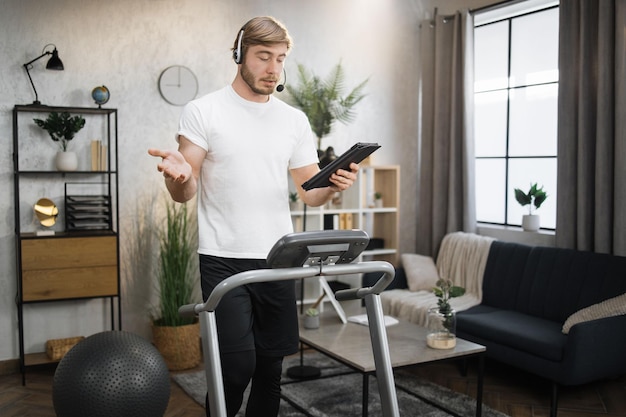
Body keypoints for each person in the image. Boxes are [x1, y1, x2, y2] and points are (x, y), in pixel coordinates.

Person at [148, 16, 359, 417]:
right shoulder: (203, 111)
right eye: (264, 57)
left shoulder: (293, 120)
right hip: (223, 257)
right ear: (239, 54)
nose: (273, 68)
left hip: (279, 258)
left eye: (280, 59)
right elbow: (185, 189)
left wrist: (333, 185)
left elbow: (308, 192)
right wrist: (178, 177)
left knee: (270, 369)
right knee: (236, 366)